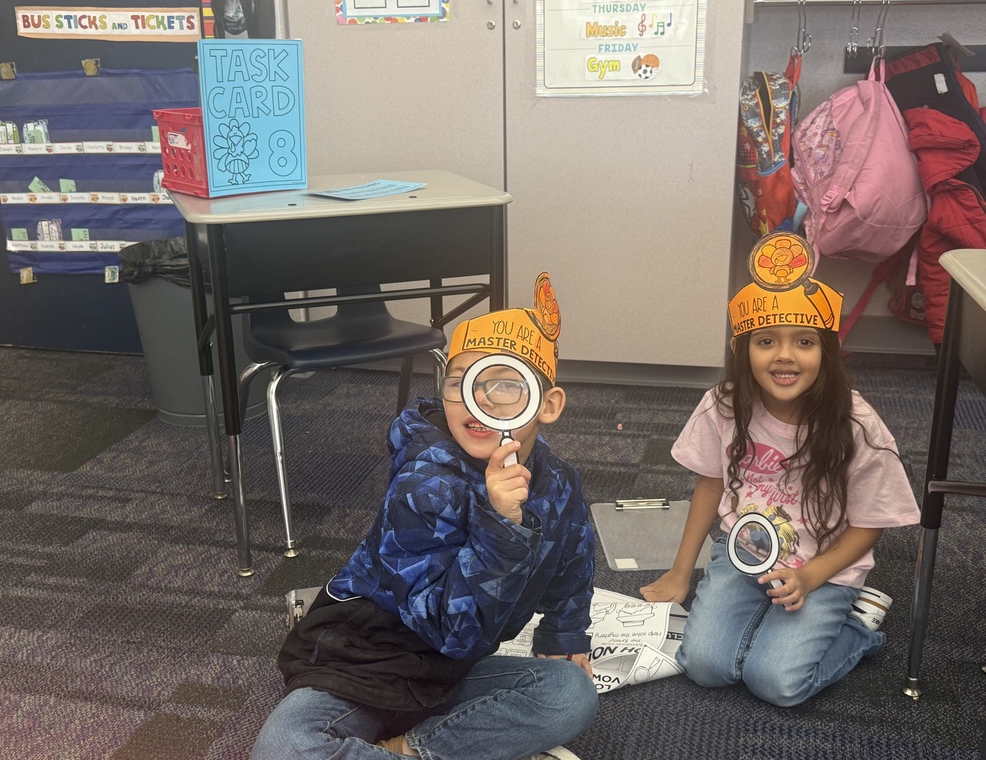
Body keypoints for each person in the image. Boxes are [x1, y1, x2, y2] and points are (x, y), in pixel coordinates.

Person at [252, 273, 598, 760]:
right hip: (365, 665)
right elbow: (449, 629)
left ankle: (408, 749)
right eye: (460, 383)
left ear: (548, 404)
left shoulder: (558, 481)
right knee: (284, 748)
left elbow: (571, 562)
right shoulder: (425, 481)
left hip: (452, 672)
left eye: (505, 384)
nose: (479, 402)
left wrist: (564, 632)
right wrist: (501, 524)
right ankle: (442, 748)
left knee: (571, 695)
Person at [640, 232, 920, 707]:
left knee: (776, 683)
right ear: (743, 350)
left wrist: (811, 577)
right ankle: (772, 632)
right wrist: (680, 571)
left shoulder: (857, 423)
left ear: (826, 353)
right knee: (705, 667)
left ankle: (856, 630)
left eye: (804, 342)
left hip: (824, 569)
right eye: (766, 341)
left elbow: (870, 522)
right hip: (743, 555)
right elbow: (709, 487)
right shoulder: (723, 406)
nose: (785, 355)